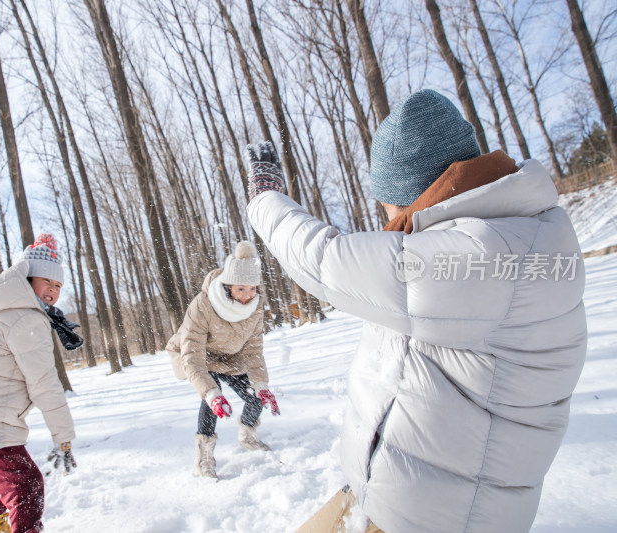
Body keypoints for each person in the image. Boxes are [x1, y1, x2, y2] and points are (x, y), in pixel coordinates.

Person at [245, 89, 587, 532]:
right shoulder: (513, 234)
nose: (386, 218)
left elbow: (326, 260)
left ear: (415, 193)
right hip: (397, 495)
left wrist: (264, 198)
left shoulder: (483, 254)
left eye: (387, 204)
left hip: (430, 518)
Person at [0, 233, 83, 533]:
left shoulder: (8, 312)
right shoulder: (26, 318)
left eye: (58, 286)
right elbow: (44, 383)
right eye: (47, 282)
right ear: (27, 279)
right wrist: (63, 436)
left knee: (5, 480)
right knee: (25, 484)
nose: (52, 291)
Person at [166, 240, 281, 479]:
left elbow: (253, 350)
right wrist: (210, 393)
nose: (247, 296)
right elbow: (192, 353)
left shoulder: (255, 306)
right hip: (201, 357)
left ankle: (248, 434)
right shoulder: (203, 305)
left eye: (252, 289)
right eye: (241, 289)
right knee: (211, 403)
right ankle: (204, 457)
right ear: (228, 286)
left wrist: (262, 385)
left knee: (255, 398)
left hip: (232, 357)